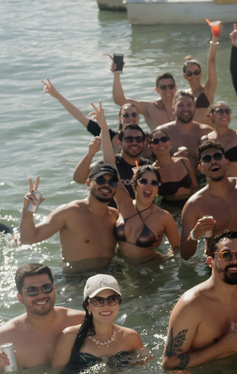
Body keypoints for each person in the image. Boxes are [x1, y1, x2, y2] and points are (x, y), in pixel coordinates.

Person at [91, 103, 179, 262]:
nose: (148, 185)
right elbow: (110, 163)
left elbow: (177, 249)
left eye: (154, 183)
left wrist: (165, 261)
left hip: (149, 269)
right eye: (143, 181)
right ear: (134, 184)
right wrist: (103, 128)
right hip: (121, 268)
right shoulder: (124, 204)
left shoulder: (163, 217)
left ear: (158, 189)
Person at [0, 263, 84, 374]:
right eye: (32, 290)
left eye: (46, 287)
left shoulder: (80, 321)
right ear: (20, 298)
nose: (41, 295)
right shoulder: (5, 337)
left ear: (54, 290)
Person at [163, 231, 237, 369]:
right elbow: (169, 363)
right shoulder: (191, 305)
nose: (234, 261)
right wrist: (222, 347)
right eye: (226, 255)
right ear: (210, 262)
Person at [19, 163, 119, 268]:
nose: (106, 185)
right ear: (88, 183)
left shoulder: (115, 215)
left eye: (112, 182)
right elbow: (28, 239)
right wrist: (28, 210)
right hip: (76, 275)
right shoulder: (69, 212)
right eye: (100, 180)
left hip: (110, 271)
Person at [178, 139, 237, 259]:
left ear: (227, 162)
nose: (213, 161)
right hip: (218, 263)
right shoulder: (194, 204)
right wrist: (195, 234)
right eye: (207, 159)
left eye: (217, 156)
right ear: (200, 169)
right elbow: (185, 254)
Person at [51, 274, 150, 372]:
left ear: (119, 302)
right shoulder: (70, 337)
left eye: (112, 299)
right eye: (98, 300)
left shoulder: (131, 337)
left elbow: (143, 371)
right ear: (87, 305)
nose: (106, 305)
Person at [73, 117, 148, 197]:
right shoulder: (110, 162)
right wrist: (90, 153)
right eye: (129, 139)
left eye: (139, 139)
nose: (134, 143)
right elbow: (79, 179)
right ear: (119, 142)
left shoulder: (147, 166)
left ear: (144, 142)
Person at [109, 61, 178, 132]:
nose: (168, 90)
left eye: (171, 86)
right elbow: (120, 100)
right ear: (157, 90)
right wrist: (117, 74)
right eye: (163, 87)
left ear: (175, 87)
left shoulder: (183, 105)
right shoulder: (150, 108)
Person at [144, 127, 199, 211]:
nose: (160, 143)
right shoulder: (153, 172)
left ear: (169, 142)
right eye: (155, 141)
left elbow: (195, 187)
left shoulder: (184, 162)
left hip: (191, 205)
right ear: (150, 147)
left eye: (163, 139)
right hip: (171, 210)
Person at [157, 90, 212, 159]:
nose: (185, 109)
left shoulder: (207, 132)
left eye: (189, 105)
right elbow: (152, 161)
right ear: (173, 109)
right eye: (180, 105)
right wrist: (173, 160)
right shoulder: (162, 133)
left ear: (194, 107)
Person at [180, 43, 218, 124]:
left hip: (207, 130)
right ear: (185, 76)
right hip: (188, 131)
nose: (193, 76)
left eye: (196, 72)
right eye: (189, 73)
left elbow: (211, 60)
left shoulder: (208, 90)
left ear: (201, 73)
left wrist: (214, 38)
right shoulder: (181, 94)